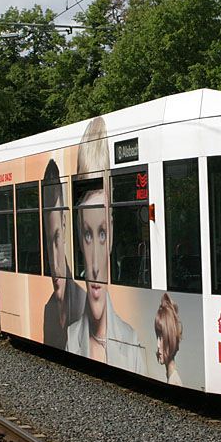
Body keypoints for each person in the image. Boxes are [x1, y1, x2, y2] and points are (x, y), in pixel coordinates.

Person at [66, 117, 145, 374]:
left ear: (112, 234)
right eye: (88, 234)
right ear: (78, 236)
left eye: (102, 233)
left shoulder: (133, 341)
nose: (96, 265)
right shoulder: (70, 337)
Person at [42, 158, 84, 348]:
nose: (54, 260)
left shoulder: (86, 303)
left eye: (56, 238)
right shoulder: (48, 310)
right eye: (48, 240)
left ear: (65, 223)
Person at [154, 293, 183, 385]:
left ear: (171, 340)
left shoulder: (174, 382)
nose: (158, 345)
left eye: (162, 338)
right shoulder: (171, 377)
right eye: (157, 336)